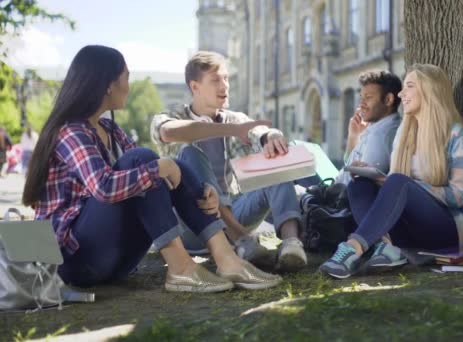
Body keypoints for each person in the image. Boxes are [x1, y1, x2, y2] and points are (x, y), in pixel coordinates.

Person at [22, 45, 282, 292]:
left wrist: (201, 190)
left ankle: (228, 260)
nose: (129, 85)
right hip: (75, 262)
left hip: (118, 263)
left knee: (164, 166)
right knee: (146, 161)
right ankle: (181, 267)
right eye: (126, 77)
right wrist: (161, 168)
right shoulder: (70, 131)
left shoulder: (111, 130)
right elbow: (104, 187)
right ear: (108, 85)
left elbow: (154, 178)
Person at [320, 64, 463, 279]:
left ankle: (352, 248)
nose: (401, 94)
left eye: (409, 86)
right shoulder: (405, 132)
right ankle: (390, 248)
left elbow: (460, 196)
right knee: (359, 185)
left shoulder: (458, 136)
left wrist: (407, 185)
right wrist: (380, 179)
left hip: (448, 230)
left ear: (429, 91)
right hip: (410, 231)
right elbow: (397, 187)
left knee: (399, 181)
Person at [150, 51, 307, 272]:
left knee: (272, 157)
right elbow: (167, 132)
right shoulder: (174, 116)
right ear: (194, 87)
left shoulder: (234, 118)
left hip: (234, 212)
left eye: (226, 78)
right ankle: (241, 239)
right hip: (191, 225)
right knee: (189, 153)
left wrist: (270, 137)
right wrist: (232, 130)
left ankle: (292, 243)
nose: (224, 86)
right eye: (215, 80)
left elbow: (256, 131)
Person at [334, 71, 402, 185]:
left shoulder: (380, 136)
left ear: (388, 100)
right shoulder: (376, 127)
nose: (361, 104)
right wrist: (353, 137)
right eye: (362, 98)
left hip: (336, 196)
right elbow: (349, 165)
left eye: (368, 98)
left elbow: (358, 184)